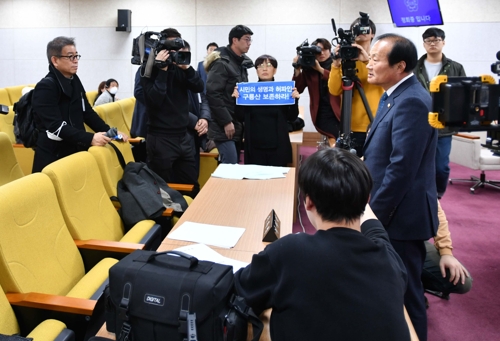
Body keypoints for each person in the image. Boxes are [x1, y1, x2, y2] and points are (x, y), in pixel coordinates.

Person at [235, 148, 409, 341]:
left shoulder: (290, 251)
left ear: (308, 202)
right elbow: (378, 233)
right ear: (367, 200)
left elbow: (240, 289)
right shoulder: (390, 262)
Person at [363, 33, 438, 341]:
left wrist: (372, 217)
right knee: (391, 286)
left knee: (407, 291)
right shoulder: (392, 93)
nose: (368, 65)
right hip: (391, 209)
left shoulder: (412, 102)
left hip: (401, 216)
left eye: (375, 59)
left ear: (400, 66)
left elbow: (401, 170)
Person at [31, 36, 128, 173]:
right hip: (53, 155)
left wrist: (110, 132)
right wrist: (90, 138)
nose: (76, 61)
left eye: (77, 56)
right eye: (70, 57)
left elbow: (86, 112)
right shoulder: (45, 87)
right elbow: (55, 126)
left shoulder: (74, 80)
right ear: (55, 60)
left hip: (75, 148)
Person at [141, 28, 204, 194]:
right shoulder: (148, 69)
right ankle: (168, 220)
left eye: (177, 48)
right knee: (163, 189)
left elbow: (199, 86)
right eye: (171, 49)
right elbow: (154, 100)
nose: (174, 53)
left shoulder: (180, 68)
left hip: (184, 136)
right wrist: (161, 71)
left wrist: (187, 68)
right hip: (161, 139)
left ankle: (189, 215)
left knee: (191, 184)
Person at [414, 27, 466, 199]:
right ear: (424, 44)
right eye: (428, 40)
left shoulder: (456, 68)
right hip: (418, 123)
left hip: (443, 124)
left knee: (441, 165)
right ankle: (420, 194)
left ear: (443, 42)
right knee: (416, 162)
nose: (432, 43)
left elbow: (464, 94)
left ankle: (437, 194)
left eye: (436, 40)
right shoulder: (415, 67)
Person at [328, 18, 384, 156]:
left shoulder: (380, 59)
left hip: (374, 123)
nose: (361, 32)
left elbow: (384, 84)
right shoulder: (344, 59)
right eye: (357, 29)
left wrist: (367, 61)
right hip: (350, 126)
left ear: (372, 34)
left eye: (365, 28)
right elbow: (334, 90)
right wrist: (335, 64)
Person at [233, 54, 299, 166]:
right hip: (254, 147)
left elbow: (292, 117)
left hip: (278, 146)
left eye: (269, 65)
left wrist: (295, 100)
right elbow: (240, 117)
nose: (264, 68)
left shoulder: (282, 91)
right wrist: (237, 100)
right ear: (256, 71)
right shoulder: (249, 91)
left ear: (275, 70)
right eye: (260, 66)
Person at [205, 25, 254, 164]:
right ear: (235, 40)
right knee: (229, 166)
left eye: (250, 40)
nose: (249, 43)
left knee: (233, 166)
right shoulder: (222, 63)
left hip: (237, 123)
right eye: (246, 39)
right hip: (224, 126)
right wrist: (226, 121)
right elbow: (213, 94)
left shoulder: (241, 63)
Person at [292, 38, 341, 139]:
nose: (322, 53)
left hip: (338, 109)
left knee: (340, 136)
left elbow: (338, 82)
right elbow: (298, 89)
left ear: (329, 50)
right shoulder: (309, 68)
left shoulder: (336, 64)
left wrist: (319, 69)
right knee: (336, 136)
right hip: (322, 112)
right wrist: (297, 70)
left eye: (325, 49)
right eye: (318, 51)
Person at [423, 200, 472, 299]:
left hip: (409, 241)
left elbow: (435, 211)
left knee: (462, 282)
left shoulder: (422, 185)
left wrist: (446, 251)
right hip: (385, 241)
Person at [184, 40, 211, 176]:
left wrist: (204, 119)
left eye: (186, 54)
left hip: (197, 133)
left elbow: (204, 99)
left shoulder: (192, 74)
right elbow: (173, 107)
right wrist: (195, 122)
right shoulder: (169, 77)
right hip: (181, 134)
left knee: (195, 174)